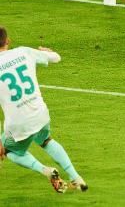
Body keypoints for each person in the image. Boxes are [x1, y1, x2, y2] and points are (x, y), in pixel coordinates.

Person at [0, 27, 87, 193]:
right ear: (8, 41)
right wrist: (45, 52)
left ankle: (46, 170)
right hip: (40, 114)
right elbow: (56, 57)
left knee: (10, 150)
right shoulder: (24, 51)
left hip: (18, 124)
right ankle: (76, 178)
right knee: (46, 141)